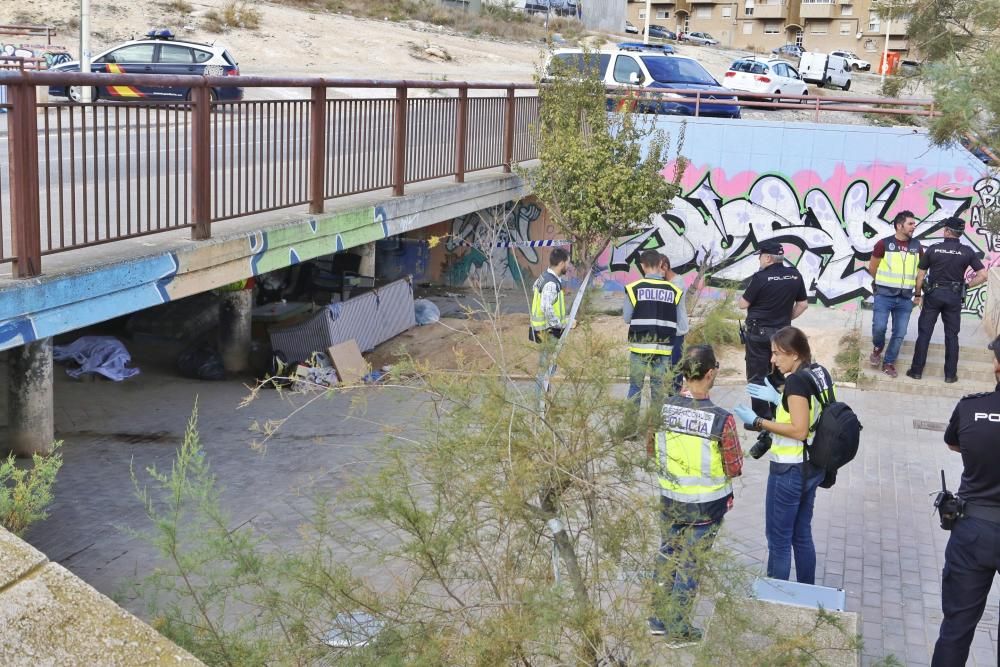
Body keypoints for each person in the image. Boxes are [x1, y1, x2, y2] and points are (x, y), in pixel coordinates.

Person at [649, 344, 743, 644]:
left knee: (667, 557)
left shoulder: (661, 409)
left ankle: (658, 619)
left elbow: (651, 449)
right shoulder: (721, 419)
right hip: (705, 511)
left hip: (670, 502)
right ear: (711, 373)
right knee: (690, 565)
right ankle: (678, 629)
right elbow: (734, 466)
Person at [733, 326, 832, 584]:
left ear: (795, 354)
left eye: (778, 354)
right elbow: (811, 413)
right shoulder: (818, 372)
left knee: (778, 540)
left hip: (789, 469)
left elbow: (799, 430)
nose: (773, 360)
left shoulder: (796, 381)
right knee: (801, 534)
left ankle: (775, 601)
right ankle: (807, 594)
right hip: (811, 466)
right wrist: (780, 400)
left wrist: (758, 422)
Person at [931, 335, 1000, 666]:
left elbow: (955, 444)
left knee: (956, 628)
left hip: (972, 530)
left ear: (997, 367)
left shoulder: (972, 407)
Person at [905, 216, 988, 383]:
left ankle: (916, 371)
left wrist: (918, 295)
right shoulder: (967, 251)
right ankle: (950, 375)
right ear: (960, 233)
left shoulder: (934, 249)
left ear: (947, 231)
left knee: (924, 334)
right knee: (952, 336)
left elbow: (920, 275)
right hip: (954, 297)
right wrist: (966, 287)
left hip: (933, 296)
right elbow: (983, 275)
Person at [738, 240, 808, 426]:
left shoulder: (760, 278)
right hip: (782, 335)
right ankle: (781, 413)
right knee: (778, 375)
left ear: (768, 257)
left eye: (760, 256)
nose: (759, 260)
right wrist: (785, 320)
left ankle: (760, 420)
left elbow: (742, 304)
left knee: (757, 377)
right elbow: (803, 304)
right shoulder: (795, 275)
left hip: (758, 335)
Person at [623, 249, 683, 409]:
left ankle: (630, 431)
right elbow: (677, 320)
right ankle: (656, 430)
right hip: (663, 348)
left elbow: (627, 318)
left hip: (639, 346)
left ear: (643, 266)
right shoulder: (674, 291)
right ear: (659, 264)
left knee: (635, 388)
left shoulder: (633, 288)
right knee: (657, 389)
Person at [867, 210, 922, 378]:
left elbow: (920, 272)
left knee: (899, 333)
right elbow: (872, 267)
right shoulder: (883, 244)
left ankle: (888, 362)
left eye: (914, 223)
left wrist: (918, 294)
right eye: (910, 223)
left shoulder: (917, 246)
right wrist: (882, 284)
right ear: (899, 225)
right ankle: (878, 347)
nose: (914, 226)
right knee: (879, 327)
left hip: (905, 298)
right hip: (884, 295)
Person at [530, 247, 571, 399]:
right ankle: (540, 403)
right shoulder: (551, 283)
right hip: (548, 331)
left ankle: (544, 401)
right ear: (561, 263)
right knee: (546, 369)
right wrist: (558, 325)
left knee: (547, 367)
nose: (569, 266)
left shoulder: (544, 277)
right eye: (567, 263)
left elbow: (535, 289)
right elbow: (546, 307)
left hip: (543, 329)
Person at [660, 254, 690, 394]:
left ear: (665, 266)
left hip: (677, 331)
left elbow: (669, 304)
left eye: (656, 269)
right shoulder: (666, 282)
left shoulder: (677, 282)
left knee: (675, 366)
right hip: (667, 330)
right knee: (667, 366)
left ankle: (675, 396)